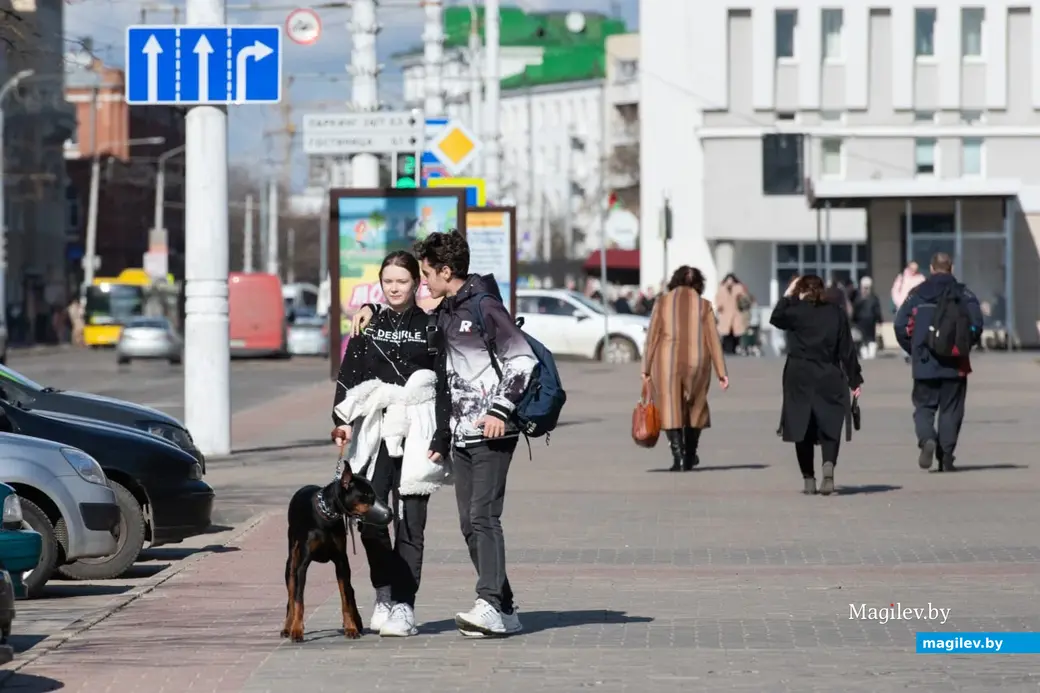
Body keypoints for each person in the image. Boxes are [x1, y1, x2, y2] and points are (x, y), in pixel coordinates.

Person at [353, 230, 536, 637]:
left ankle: (489, 602)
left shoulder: (485, 307)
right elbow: (403, 317)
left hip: (491, 432)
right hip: (462, 435)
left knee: (483, 518)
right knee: (471, 524)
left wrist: (501, 410)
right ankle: (504, 607)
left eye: (425, 273)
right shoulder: (450, 310)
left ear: (445, 271)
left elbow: (523, 360)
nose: (422, 281)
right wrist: (369, 306)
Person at [330, 250, 452, 638]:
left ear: (416, 282)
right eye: (388, 282)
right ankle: (383, 592)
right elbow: (349, 374)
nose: (395, 288)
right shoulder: (368, 325)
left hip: (418, 430)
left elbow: (446, 383)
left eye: (402, 281)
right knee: (372, 516)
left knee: (411, 521)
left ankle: (404, 606)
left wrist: (442, 433)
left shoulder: (433, 326)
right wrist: (341, 420)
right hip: (375, 432)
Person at [770, 275, 863, 496]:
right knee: (830, 423)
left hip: (799, 375)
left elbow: (775, 317)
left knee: (801, 424)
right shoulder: (835, 312)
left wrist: (788, 293)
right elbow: (847, 350)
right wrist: (854, 379)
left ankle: (808, 478)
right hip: (828, 373)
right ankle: (828, 465)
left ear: (800, 290)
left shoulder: (794, 311)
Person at [893, 252, 983, 472]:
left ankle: (927, 439)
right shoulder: (965, 294)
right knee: (951, 410)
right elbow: (977, 325)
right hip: (955, 362)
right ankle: (947, 457)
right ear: (951, 268)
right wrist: (964, 346)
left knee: (924, 407)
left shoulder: (916, 294)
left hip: (924, 361)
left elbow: (900, 325)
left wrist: (914, 349)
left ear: (931, 270)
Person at [642, 266, 729, 471]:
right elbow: (713, 340)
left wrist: (645, 368)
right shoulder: (704, 305)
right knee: (695, 407)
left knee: (670, 407)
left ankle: (678, 456)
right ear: (699, 284)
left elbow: (652, 338)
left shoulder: (662, 303)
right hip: (697, 362)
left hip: (666, 362)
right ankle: (690, 455)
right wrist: (721, 372)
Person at [715, 273, 749, 355]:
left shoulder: (738, 288)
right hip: (726, 314)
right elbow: (718, 300)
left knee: (735, 334)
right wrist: (719, 307)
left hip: (735, 313)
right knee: (727, 334)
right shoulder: (722, 289)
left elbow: (743, 298)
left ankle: (733, 349)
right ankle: (728, 349)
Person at [851, 277, 883, 359]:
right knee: (864, 338)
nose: (865, 290)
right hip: (863, 320)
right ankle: (867, 354)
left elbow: (877, 310)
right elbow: (855, 309)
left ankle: (869, 354)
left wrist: (879, 320)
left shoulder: (862, 298)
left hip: (867, 320)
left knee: (868, 338)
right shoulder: (860, 297)